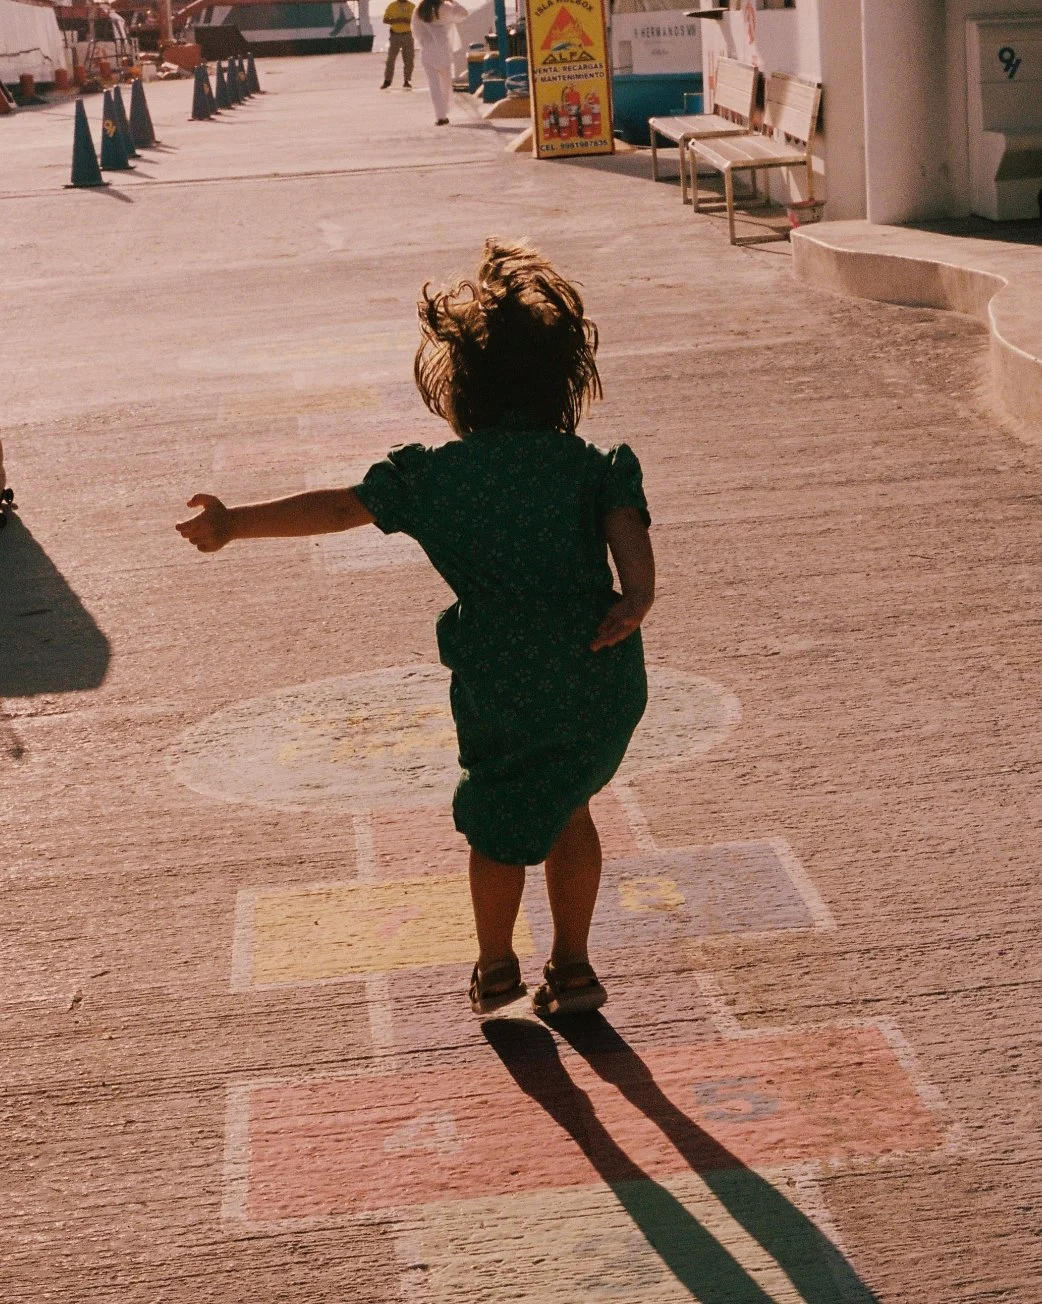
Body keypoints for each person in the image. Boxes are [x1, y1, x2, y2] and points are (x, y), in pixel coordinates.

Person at [175, 239, 655, 1018]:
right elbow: (626, 526)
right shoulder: (590, 465)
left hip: (506, 677)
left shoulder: (437, 478)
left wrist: (236, 524)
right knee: (571, 804)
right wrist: (636, 599)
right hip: (599, 669)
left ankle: (496, 968)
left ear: (458, 388)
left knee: (499, 826)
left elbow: (337, 507)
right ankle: (572, 969)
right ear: (563, 382)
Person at [410, 0, 467, 125]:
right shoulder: (445, 7)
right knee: (445, 84)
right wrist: (453, 2)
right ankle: (444, 112)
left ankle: (440, 116)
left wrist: (424, 41)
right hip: (442, 50)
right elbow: (463, 14)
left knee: (433, 85)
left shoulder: (420, 9)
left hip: (426, 51)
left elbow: (415, 30)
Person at [380, 0, 415, 89]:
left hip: (408, 34)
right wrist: (396, 20)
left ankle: (407, 80)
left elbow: (417, 21)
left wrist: (408, 21)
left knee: (409, 59)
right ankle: (387, 81)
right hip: (395, 35)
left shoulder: (412, 6)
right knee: (390, 59)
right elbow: (385, 20)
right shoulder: (392, 5)